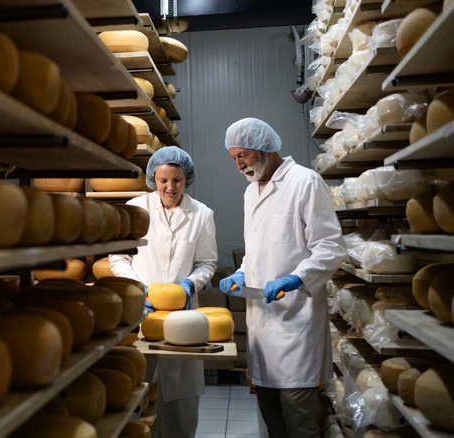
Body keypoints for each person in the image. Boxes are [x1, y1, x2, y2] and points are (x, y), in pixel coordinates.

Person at [218, 118, 347, 438]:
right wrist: (241, 271)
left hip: (295, 322)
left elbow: (331, 248)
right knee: (271, 417)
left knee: (300, 419)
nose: (239, 165)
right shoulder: (250, 193)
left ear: (265, 148)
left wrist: (295, 278)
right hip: (261, 326)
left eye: (243, 155)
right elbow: (258, 249)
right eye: (234, 158)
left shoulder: (305, 181)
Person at [109, 146, 217, 438]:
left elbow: (207, 263)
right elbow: (119, 257)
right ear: (153, 179)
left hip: (183, 318)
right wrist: (136, 286)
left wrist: (190, 285)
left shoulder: (202, 214)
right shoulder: (135, 207)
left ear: (187, 178)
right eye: (164, 180)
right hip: (140, 313)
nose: (170, 187)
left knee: (180, 400)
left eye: (177, 180)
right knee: (127, 393)